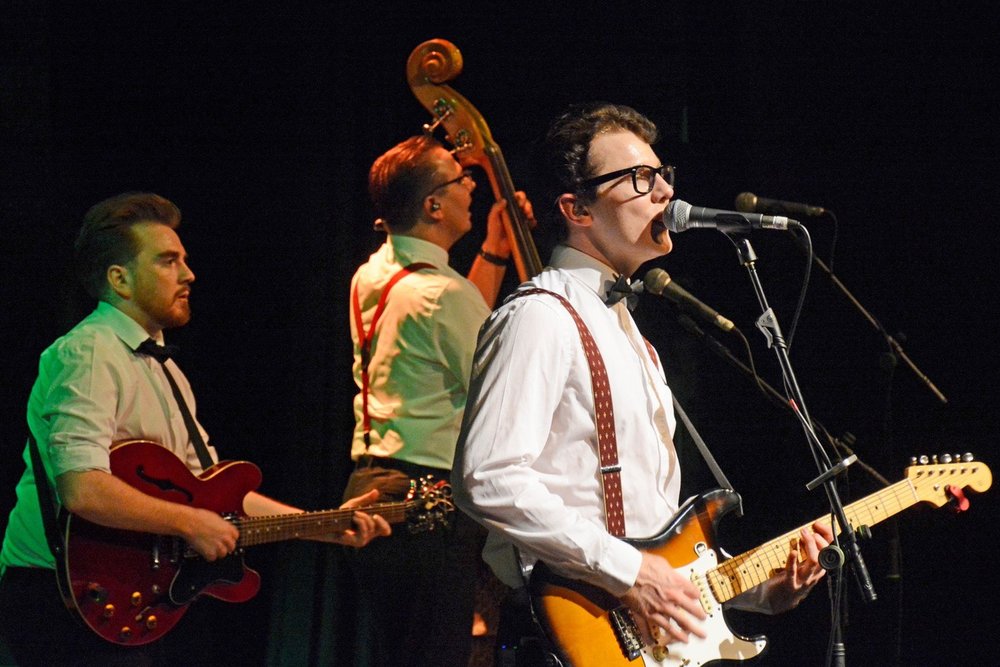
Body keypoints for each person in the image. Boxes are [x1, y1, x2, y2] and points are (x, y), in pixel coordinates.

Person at [451, 103, 835, 665]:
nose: (663, 193)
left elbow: (657, 538)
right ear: (576, 207)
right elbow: (485, 477)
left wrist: (764, 591)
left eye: (662, 176)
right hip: (565, 635)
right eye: (639, 179)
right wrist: (631, 573)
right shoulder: (540, 315)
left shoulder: (633, 337)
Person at [0, 192, 391, 667]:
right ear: (119, 278)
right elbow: (82, 490)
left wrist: (323, 525)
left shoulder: (164, 368)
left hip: (126, 596)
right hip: (60, 598)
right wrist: (189, 522)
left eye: (183, 260)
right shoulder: (87, 353)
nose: (189, 274)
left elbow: (214, 493)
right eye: (168, 261)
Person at [343, 134, 533, 667]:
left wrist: (496, 247)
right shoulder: (441, 295)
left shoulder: (374, 274)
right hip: (426, 507)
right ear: (433, 205)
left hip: (377, 488)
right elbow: (500, 386)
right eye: (459, 178)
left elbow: (453, 327)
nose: (471, 185)